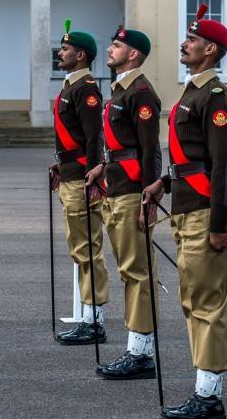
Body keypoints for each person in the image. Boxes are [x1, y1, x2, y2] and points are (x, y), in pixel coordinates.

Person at [143, 3, 227, 419]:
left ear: (211, 51)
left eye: (194, 39)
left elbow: (222, 165)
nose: (185, 43)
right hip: (184, 206)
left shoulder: (214, 96)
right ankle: (203, 386)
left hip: (203, 211)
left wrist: (218, 224)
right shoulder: (192, 92)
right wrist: (162, 183)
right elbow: (189, 158)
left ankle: (209, 395)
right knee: (192, 299)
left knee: (207, 302)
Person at [86, 27, 162, 379]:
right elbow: (120, 145)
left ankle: (141, 352)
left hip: (132, 191)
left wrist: (148, 196)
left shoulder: (141, 93)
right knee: (128, 272)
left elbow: (150, 151)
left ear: (133, 54)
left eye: (116, 46)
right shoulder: (120, 90)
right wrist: (103, 166)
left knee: (137, 273)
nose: (111, 50)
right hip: (115, 186)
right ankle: (137, 346)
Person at [50, 21, 108, 346]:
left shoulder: (85, 88)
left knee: (88, 248)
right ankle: (89, 314)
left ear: (81, 55)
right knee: (80, 247)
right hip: (71, 174)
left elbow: (92, 137)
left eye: (66, 49)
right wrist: (62, 164)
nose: (61, 52)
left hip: (82, 178)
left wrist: (94, 169)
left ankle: (94, 318)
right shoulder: (71, 85)